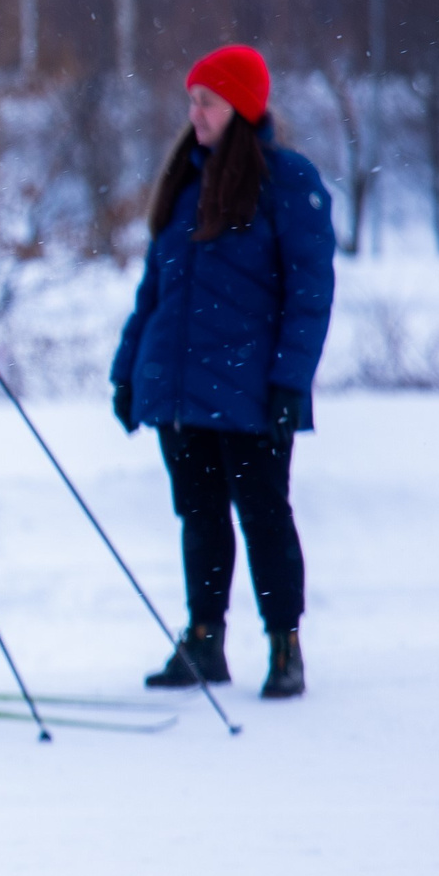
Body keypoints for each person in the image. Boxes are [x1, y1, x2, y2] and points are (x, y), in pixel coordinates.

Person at [110, 44, 335, 699]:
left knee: (264, 513)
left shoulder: (287, 181)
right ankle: (204, 638)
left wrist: (291, 381)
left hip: (251, 389)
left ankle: (283, 643)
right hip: (181, 387)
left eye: (206, 100)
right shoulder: (187, 182)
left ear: (240, 104)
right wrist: (130, 371)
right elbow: (155, 291)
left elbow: (310, 293)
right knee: (200, 514)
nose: (195, 112)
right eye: (192, 100)